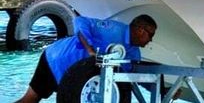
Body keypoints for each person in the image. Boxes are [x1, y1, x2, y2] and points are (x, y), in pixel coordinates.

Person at [15, 14, 157, 103]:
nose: (151, 40)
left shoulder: (134, 53)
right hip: (56, 60)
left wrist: (161, 90)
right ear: (140, 30)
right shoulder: (113, 29)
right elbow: (80, 21)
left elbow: (133, 77)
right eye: (150, 35)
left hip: (78, 79)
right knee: (31, 99)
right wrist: (89, 48)